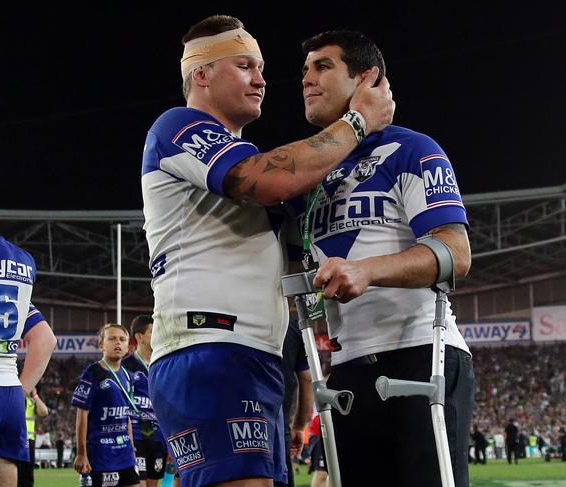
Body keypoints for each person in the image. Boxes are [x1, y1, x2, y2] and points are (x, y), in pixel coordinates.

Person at [141, 14, 393, 487]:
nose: (261, 79)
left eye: (259, 67)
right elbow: (266, 179)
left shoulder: (239, 152)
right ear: (201, 74)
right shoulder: (178, 126)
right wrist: (356, 122)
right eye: (244, 66)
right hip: (209, 345)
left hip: (252, 353)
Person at [286, 30, 474, 487]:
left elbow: (455, 251)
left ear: (368, 77)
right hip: (347, 369)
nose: (307, 79)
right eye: (305, 70)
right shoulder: (308, 174)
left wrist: (365, 271)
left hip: (419, 353)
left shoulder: (412, 149)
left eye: (322, 66)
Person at [0, 193, 57, 487]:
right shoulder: (24, 262)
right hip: (9, 392)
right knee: (2, 475)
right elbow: (45, 338)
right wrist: (21, 389)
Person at [72, 324, 140, 487]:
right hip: (101, 455)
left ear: (128, 347)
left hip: (125, 455)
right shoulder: (93, 373)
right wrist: (81, 453)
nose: (118, 342)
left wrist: (131, 448)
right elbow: (82, 415)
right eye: (112, 338)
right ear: (101, 345)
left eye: (122, 339)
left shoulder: (128, 376)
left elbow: (127, 417)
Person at [122, 315, 167, 487]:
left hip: (158, 436)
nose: (156, 335)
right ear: (139, 337)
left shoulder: (162, 364)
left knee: (152, 485)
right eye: (152, 331)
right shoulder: (126, 365)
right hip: (136, 433)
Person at [276, 306, 313, 487]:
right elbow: (306, 380)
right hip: (276, 424)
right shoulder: (292, 326)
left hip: (236, 421)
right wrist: (300, 426)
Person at [18, 388, 49, 487]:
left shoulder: (31, 402)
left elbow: (44, 412)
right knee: (15, 472)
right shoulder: (15, 398)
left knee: (27, 474)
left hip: (28, 441)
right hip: (16, 440)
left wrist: (35, 396)